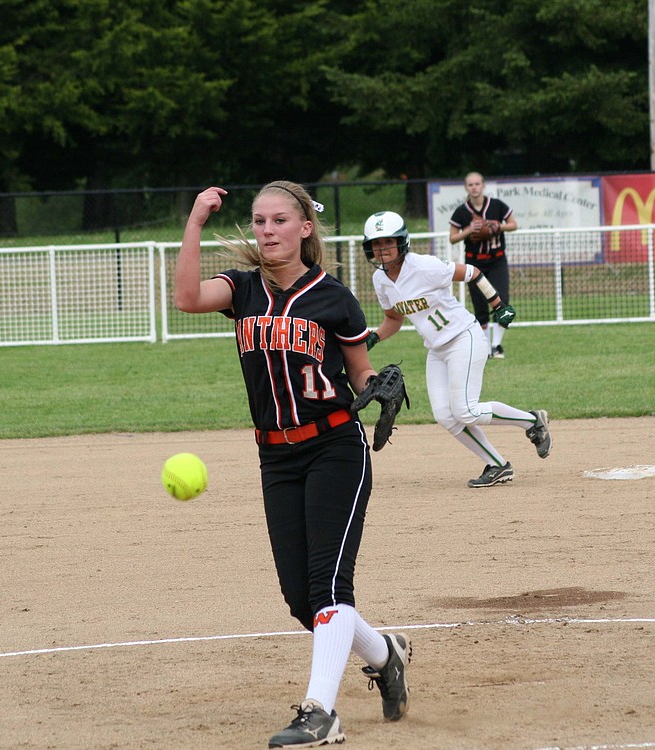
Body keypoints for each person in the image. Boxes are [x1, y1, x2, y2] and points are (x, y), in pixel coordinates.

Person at [175, 181, 411, 748]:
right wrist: (195, 223)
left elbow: (359, 373)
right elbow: (186, 297)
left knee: (329, 585)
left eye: (279, 220)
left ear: (305, 228)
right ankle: (386, 655)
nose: (267, 231)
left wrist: (377, 387)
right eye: (259, 222)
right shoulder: (241, 290)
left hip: (334, 446)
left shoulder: (334, 297)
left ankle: (320, 713)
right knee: (302, 600)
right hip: (276, 455)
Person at [362, 210, 551, 489]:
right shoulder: (381, 280)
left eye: (388, 242)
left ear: (402, 242)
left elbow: (474, 272)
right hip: (437, 349)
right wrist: (375, 337)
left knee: (466, 410)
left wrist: (498, 305)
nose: (382, 249)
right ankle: (498, 465)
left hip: (464, 337)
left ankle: (532, 420)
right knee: (445, 416)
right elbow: (394, 318)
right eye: (376, 243)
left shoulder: (424, 267)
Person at [448, 171, 518, 359]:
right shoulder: (462, 212)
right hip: (474, 262)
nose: (474, 187)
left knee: (501, 300)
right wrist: (470, 230)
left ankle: (497, 345)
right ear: (466, 188)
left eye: (477, 184)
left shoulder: (496, 206)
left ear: (483, 185)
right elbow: (453, 238)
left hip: (496, 260)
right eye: (470, 184)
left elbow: (513, 224)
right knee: (480, 306)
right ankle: (486, 347)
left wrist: (498, 226)